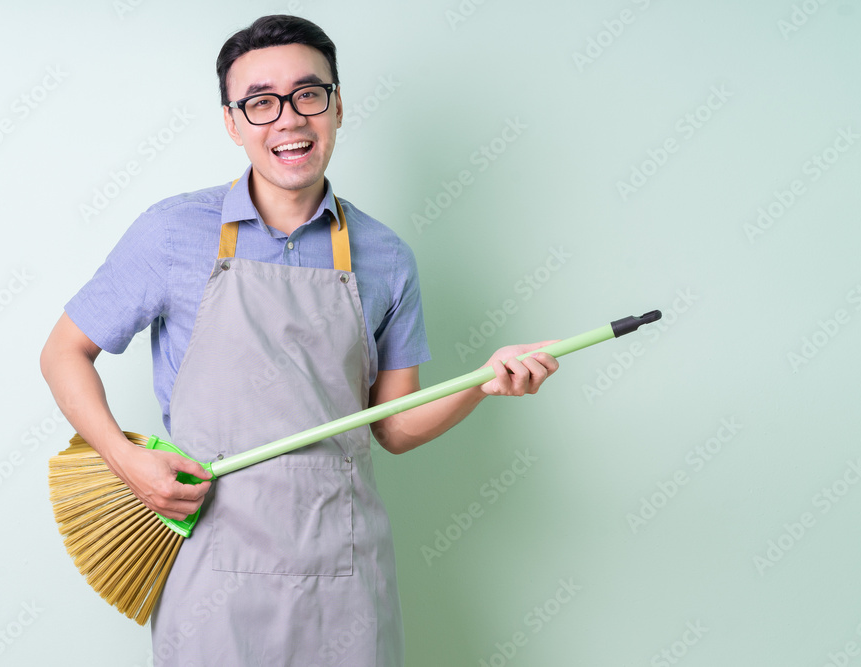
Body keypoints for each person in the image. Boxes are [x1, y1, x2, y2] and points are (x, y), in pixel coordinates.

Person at [40, 14, 558, 666]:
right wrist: (123, 457)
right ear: (233, 122)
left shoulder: (384, 255)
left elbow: (395, 426)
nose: (288, 118)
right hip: (210, 572)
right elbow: (63, 352)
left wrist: (483, 383)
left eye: (308, 94)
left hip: (343, 574)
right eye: (260, 103)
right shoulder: (173, 233)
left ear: (337, 106)